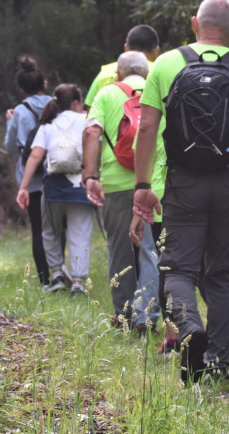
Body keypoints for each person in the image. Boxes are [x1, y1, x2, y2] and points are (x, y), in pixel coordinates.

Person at [131, 0, 229, 383]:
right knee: (223, 274)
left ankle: (190, 328)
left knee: (178, 269)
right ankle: (217, 363)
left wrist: (143, 185)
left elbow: (146, 129)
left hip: (183, 180)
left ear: (195, 24)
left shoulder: (165, 64)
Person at [82, 51, 162, 331]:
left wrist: (90, 174)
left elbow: (92, 132)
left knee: (120, 250)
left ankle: (124, 315)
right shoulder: (159, 92)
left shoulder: (106, 94)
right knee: (151, 251)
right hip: (153, 183)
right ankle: (146, 315)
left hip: (116, 183)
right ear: (146, 72)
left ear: (118, 74)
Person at [17, 84, 94, 295]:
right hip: (81, 188)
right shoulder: (88, 120)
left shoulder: (48, 126)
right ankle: (78, 282)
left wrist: (23, 187)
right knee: (80, 234)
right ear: (77, 102)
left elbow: (35, 157)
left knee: (50, 232)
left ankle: (57, 274)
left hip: (53, 190)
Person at [5, 56, 53, 286]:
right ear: (45, 84)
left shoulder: (19, 111)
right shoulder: (59, 104)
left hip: (31, 180)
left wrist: (10, 122)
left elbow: (11, 148)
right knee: (58, 228)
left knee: (38, 230)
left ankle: (45, 280)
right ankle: (62, 275)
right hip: (58, 175)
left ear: (21, 89)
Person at [85, 25, 161, 107]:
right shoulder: (159, 72)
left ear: (126, 48)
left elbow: (91, 113)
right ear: (156, 50)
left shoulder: (105, 73)